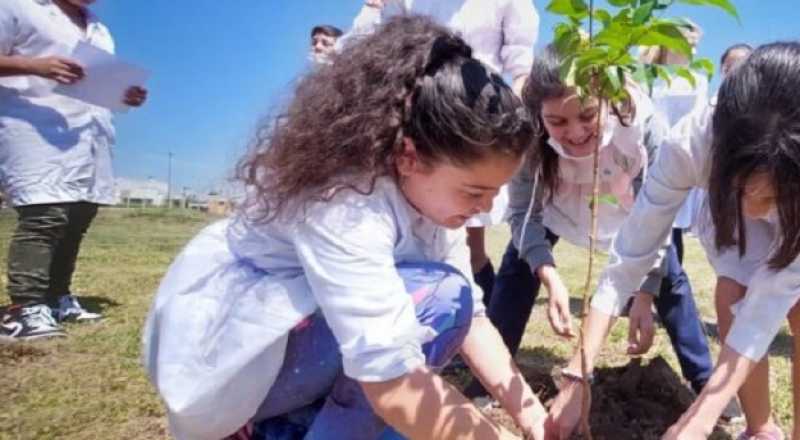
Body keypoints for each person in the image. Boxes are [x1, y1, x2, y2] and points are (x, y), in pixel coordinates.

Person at [143, 17, 551, 440]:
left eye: (494, 192)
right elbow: (392, 379)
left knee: (454, 301)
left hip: (301, 349)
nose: (487, 207)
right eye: (474, 192)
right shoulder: (344, 201)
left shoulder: (432, 204)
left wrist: (535, 419)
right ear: (409, 156)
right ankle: (274, 429)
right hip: (237, 366)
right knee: (435, 299)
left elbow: (475, 323)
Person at [546, 41, 800, 440]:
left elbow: (772, 297)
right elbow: (630, 257)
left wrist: (700, 419)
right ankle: (760, 429)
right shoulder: (692, 143)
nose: (755, 210)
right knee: (733, 293)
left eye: (768, 196)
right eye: (742, 189)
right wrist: (577, 374)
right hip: (750, 190)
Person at [464, 45, 725, 412]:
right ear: (540, 115)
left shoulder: (641, 124)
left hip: (625, 201)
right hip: (561, 204)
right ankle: (488, 380)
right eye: (558, 122)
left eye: (587, 115)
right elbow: (523, 214)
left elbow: (657, 214)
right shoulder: (526, 134)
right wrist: (550, 275)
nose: (575, 132)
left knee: (671, 279)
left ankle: (705, 383)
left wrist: (645, 293)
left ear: (609, 100)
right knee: (516, 269)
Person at [345, 0, 539, 302]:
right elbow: (385, 48)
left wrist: (506, 127)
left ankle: (468, 313)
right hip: (424, 124)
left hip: (482, 132)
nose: (485, 204)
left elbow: (521, 66)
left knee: (463, 243)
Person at [0, 0, 148, 341]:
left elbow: (94, 81)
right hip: (35, 126)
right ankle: (23, 308)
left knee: (78, 215)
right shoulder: (19, 7)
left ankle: (56, 298)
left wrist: (125, 95)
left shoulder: (98, 28)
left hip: (89, 133)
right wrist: (34, 66)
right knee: (45, 215)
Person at [670, 42, 753, 265]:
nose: (735, 72)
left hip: (754, 201)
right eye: (729, 67)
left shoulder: (766, 112)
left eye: (743, 65)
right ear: (722, 72)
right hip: (719, 197)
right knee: (726, 263)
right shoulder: (709, 114)